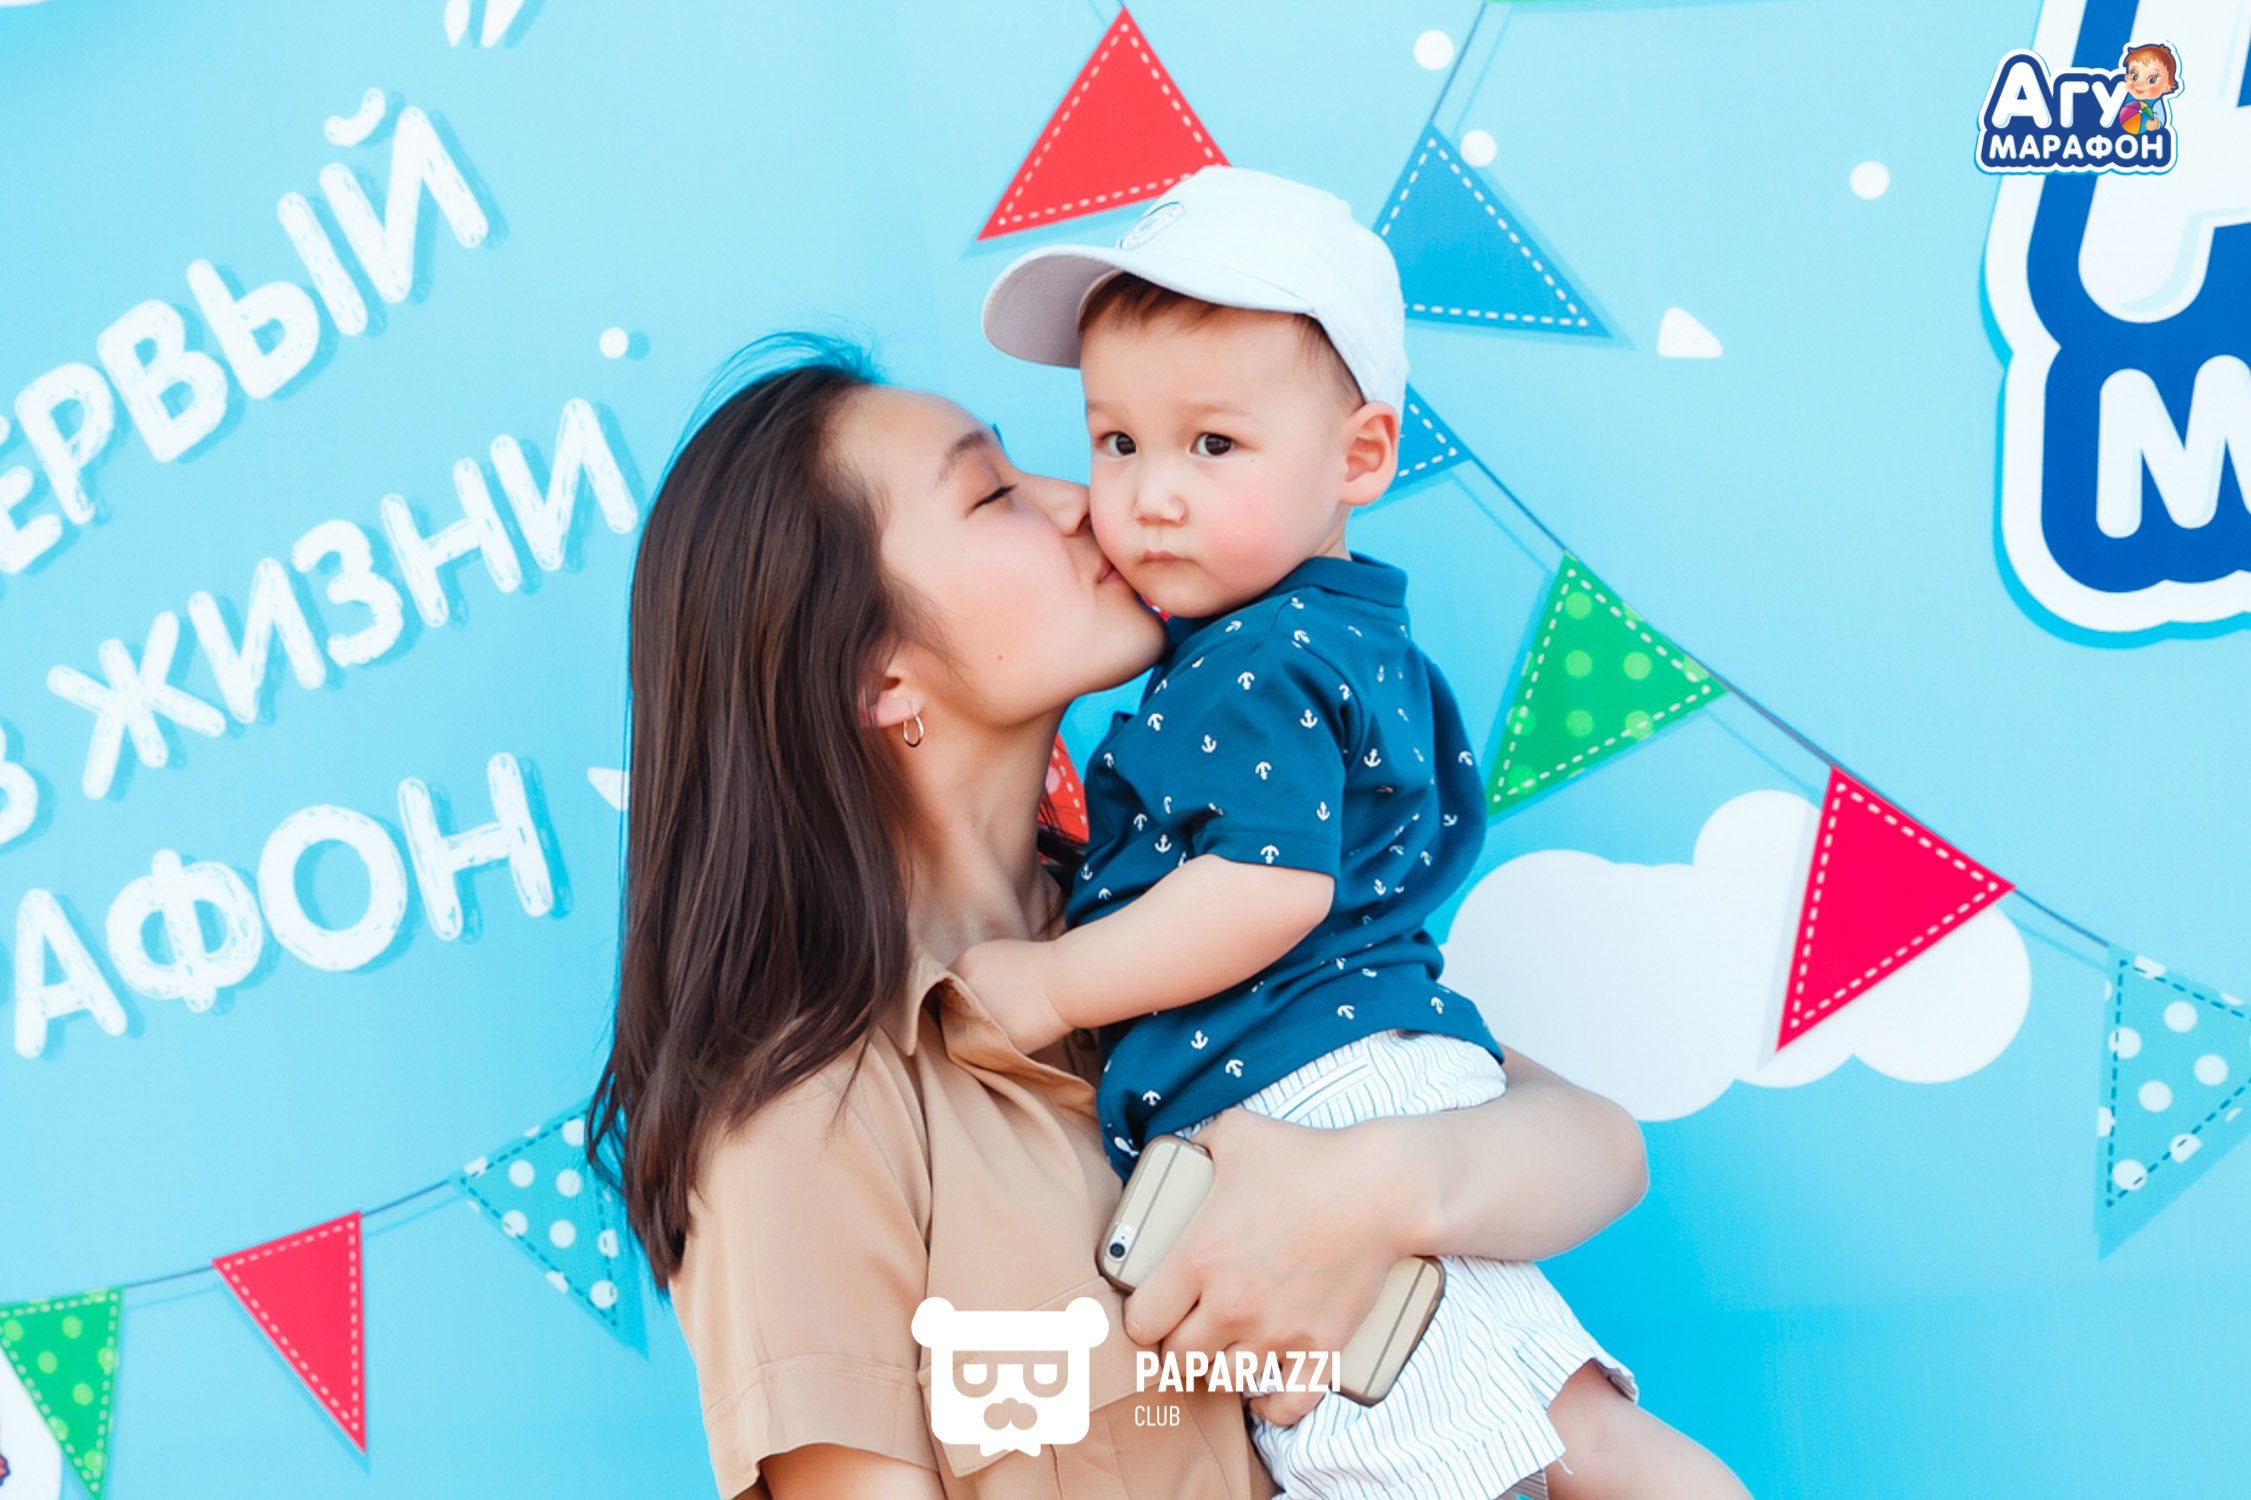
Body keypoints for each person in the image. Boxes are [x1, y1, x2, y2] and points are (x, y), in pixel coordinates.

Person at [588, 331, 1659, 1499]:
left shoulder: (1183, 907)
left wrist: (1368, 1186)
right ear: (878, 676)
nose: (1079, 502)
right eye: (992, 494)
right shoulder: (808, 1110)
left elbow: (1597, 1145)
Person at [958, 167, 1748, 1500]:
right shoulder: (1346, 635)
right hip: (1381, 1073)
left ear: (1361, 459)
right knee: (1570, 1432)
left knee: (1401, 1463)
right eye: (1116, 442)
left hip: (1301, 1092)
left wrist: (1047, 985)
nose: (1149, 496)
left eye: (1212, 446)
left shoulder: (1248, 666)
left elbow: (1264, 892)